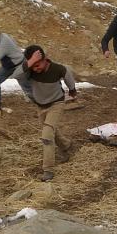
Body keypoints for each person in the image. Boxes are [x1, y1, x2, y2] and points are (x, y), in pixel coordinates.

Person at [12, 45, 78, 182]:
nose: (36, 68)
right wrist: (29, 63)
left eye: (38, 64)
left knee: (47, 135)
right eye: (32, 65)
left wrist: (72, 90)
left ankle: (48, 170)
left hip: (56, 104)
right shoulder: (30, 71)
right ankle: (66, 145)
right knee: (50, 129)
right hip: (40, 106)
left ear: (45, 59)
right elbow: (16, 75)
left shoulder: (58, 69)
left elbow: (69, 79)